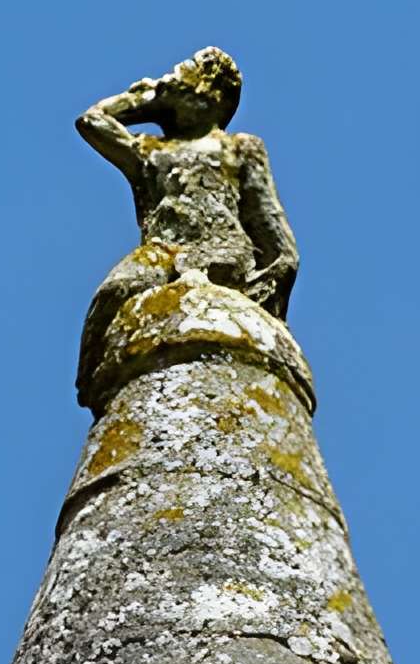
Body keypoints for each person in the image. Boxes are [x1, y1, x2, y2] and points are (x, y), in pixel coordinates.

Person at [75, 48, 299, 402]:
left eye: (184, 74)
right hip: (162, 250)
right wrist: (139, 101)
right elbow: (91, 121)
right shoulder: (150, 151)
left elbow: (268, 222)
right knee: (113, 292)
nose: (171, 80)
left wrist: (279, 272)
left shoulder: (238, 148)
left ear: (211, 92)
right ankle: (96, 389)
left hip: (222, 249)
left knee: (198, 301)